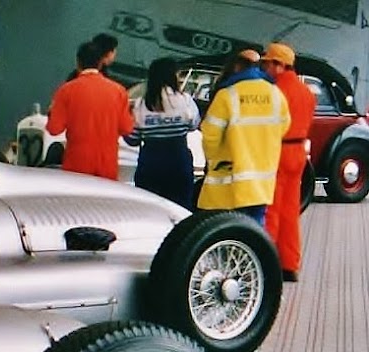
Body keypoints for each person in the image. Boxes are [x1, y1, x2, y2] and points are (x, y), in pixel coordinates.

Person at [198, 49, 288, 226]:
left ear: (237, 66)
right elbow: (283, 127)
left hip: (229, 183)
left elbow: (210, 136)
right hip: (262, 182)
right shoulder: (276, 95)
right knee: (255, 232)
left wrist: (214, 160)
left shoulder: (227, 95)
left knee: (226, 232)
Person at [260, 42, 314, 282]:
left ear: (280, 65)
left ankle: (267, 264)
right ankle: (289, 264)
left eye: (267, 63)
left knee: (271, 210)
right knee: (291, 212)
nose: (265, 67)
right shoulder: (306, 92)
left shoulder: (275, 92)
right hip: (298, 153)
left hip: (279, 152)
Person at [45, 41, 133, 180]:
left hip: (77, 164)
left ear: (78, 62)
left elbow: (54, 129)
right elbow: (127, 128)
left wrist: (51, 113)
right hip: (107, 164)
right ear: (100, 63)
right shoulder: (119, 91)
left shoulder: (66, 90)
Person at [126, 57, 200, 208]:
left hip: (150, 163)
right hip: (179, 161)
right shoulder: (185, 100)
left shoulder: (141, 104)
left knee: (148, 208)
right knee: (179, 208)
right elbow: (194, 125)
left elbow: (132, 138)